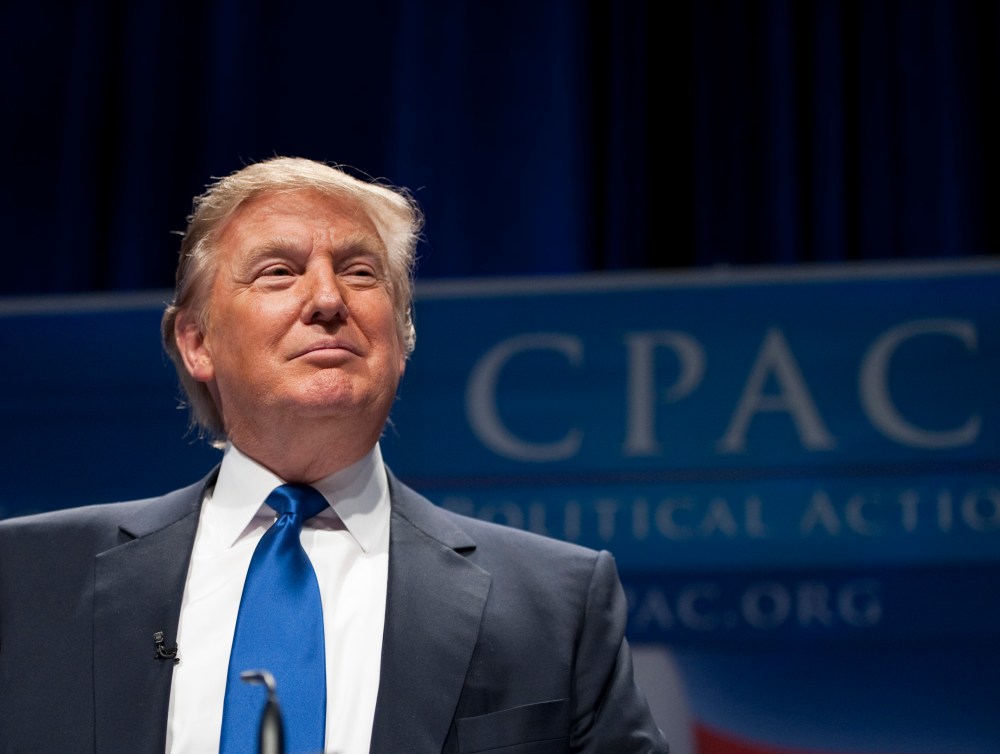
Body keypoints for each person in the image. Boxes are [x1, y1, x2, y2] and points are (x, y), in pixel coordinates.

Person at [0, 157, 668, 753]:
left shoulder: (556, 604)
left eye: (359, 272)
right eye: (279, 272)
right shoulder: (27, 580)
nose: (327, 300)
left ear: (401, 340)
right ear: (197, 342)